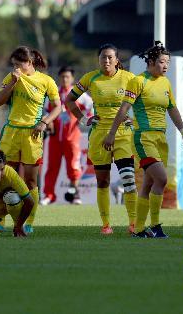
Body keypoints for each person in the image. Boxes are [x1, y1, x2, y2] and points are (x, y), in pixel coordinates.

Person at [104, 41, 183, 238]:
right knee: (162, 178)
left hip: (160, 138)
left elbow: (173, 109)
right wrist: (111, 133)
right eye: (162, 62)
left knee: (148, 184)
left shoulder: (165, 82)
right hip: (144, 137)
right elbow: (124, 109)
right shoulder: (138, 81)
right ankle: (155, 225)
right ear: (151, 62)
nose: (166, 66)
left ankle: (140, 228)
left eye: (167, 62)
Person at [65, 43, 138, 235]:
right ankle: (106, 225)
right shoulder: (90, 78)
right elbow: (69, 100)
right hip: (99, 136)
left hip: (123, 134)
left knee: (128, 180)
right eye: (102, 57)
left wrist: (135, 120)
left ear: (116, 60)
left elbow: (142, 101)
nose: (106, 61)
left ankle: (133, 223)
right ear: (98, 60)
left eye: (109, 57)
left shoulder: (129, 78)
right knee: (103, 182)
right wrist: (83, 119)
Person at [0, 46, 61, 234]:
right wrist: (13, 83)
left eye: (18, 64)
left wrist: (44, 122)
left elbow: (58, 107)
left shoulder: (46, 81)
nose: (15, 68)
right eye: (13, 64)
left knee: (30, 181)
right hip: (12, 133)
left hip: (32, 135)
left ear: (30, 63)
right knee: (5, 178)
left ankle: (28, 222)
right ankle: (0, 220)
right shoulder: (12, 78)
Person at [42, 66, 93, 205]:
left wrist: (84, 119)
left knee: (73, 166)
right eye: (62, 76)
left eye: (67, 77)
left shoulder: (78, 94)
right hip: (54, 138)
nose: (65, 79)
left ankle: (75, 194)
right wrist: (48, 122)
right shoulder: (53, 93)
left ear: (72, 78)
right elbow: (45, 111)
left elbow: (91, 107)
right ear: (59, 78)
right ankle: (49, 195)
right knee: (52, 167)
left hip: (72, 137)